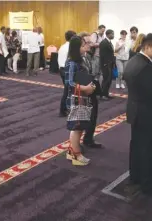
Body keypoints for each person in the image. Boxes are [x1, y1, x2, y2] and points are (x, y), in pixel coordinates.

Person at [124, 33, 152, 195]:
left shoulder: (133, 61)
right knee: (148, 148)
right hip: (147, 112)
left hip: (135, 109)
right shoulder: (146, 66)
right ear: (147, 47)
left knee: (136, 145)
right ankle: (148, 184)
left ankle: (135, 176)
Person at [65, 36, 96, 166]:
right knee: (77, 127)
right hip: (76, 99)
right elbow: (69, 83)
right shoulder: (72, 63)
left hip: (83, 97)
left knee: (80, 126)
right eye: (83, 45)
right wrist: (85, 88)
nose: (86, 47)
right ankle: (76, 155)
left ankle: (72, 151)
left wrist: (91, 87)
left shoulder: (81, 60)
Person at [78, 32, 103, 149]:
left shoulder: (87, 56)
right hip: (82, 92)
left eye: (90, 42)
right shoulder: (76, 59)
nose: (90, 44)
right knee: (81, 119)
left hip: (91, 89)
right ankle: (76, 145)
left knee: (93, 116)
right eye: (87, 42)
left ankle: (88, 139)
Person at [58, 30, 77, 117]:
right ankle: (63, 110)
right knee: (68, 91)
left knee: (67, 90)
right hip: (67, 70)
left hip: (62, 69)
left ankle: (65, 109)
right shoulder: (70, 48)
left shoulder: (62, 46)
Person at [99, 29, 115, 100]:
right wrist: (105, 64)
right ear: (108, 34)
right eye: (112, 34)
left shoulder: (109, 42)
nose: (113, 35)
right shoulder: (103, 43)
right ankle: (102, 95)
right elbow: (102, 55)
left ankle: (106, 93)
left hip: (110, 64)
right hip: (105, 64)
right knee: (106, 80)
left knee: (109, 79)